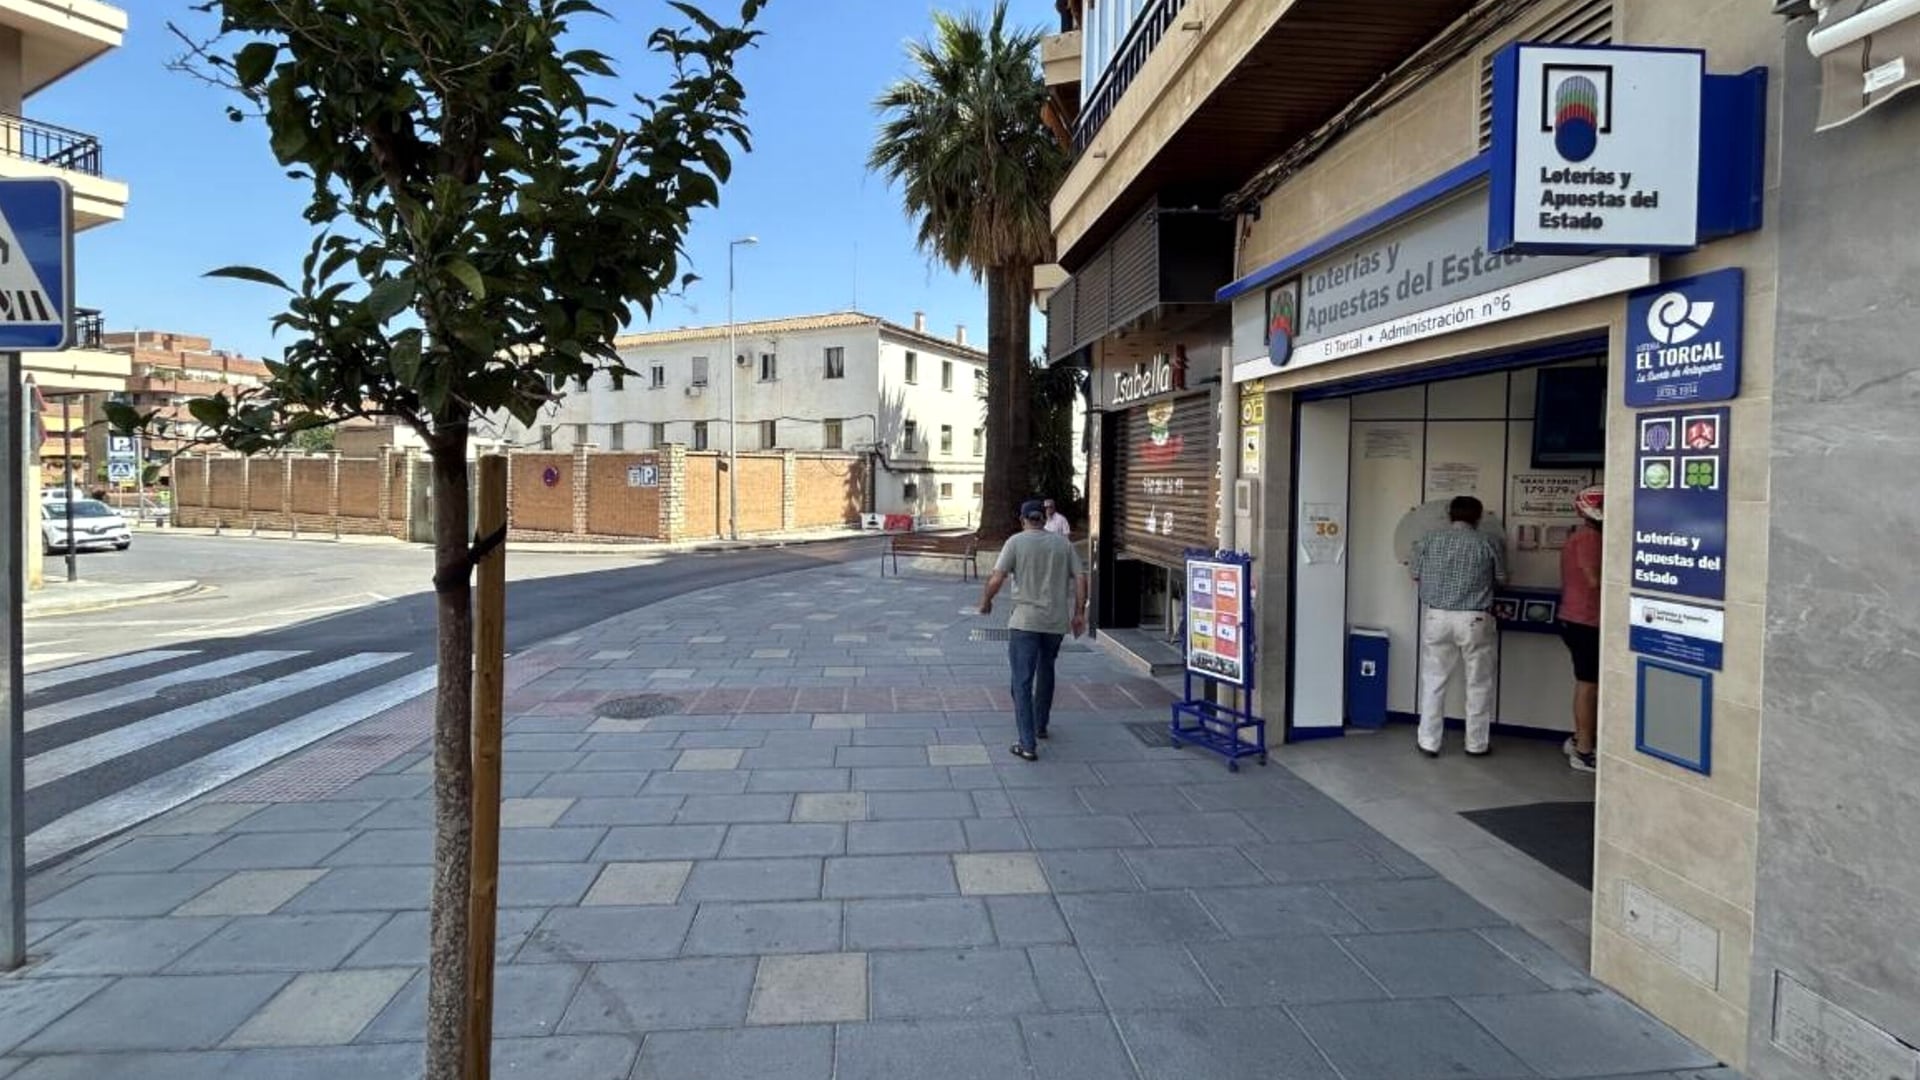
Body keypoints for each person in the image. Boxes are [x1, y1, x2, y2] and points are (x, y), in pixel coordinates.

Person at [979, 499, 1089, 761]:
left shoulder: (1015, 542)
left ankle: (1027, 743)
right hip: (1055, 622)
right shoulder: (1063, 544)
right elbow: (1081, 578)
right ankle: (1040, 725)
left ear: (1023, 520)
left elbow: (997, 578)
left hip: (1025, 622)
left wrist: (986, 601)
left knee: (1022, 680)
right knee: (1046, 671)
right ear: (1044, 518)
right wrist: (1079, 613)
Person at [1408, 495, 1507, 758]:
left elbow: (1415, 574)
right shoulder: (1488, 542)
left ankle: (1429, 742)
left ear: (1449, 514)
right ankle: (1476, 744)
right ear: (1479, 516)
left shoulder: (1430, 539)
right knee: (1478, 683)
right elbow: (1502, 578)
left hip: (1437, 616)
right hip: (1475, 618)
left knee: (1434, 681)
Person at [1560, 485, 1604, 773]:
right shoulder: (1590, 538)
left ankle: (1580, 739)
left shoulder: (1582, 536)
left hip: (1579, 618)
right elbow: (1593, 580)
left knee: (1590, 683)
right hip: (1586, 620)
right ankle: (1584, 750)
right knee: (1589, 685)